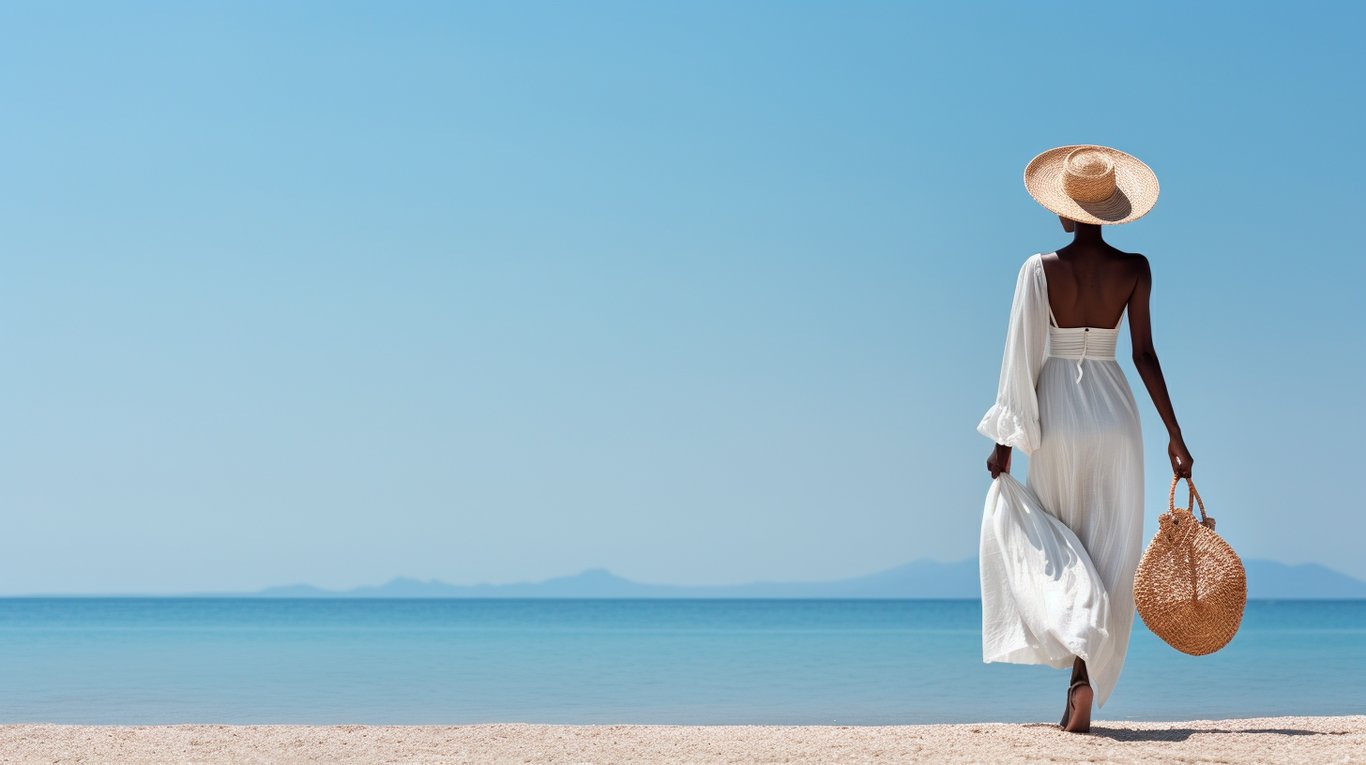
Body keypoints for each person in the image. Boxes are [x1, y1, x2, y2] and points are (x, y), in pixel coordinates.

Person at [977, 145, 1193, 733]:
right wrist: (1176, 436)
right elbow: (1144, 354)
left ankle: (1077, 671)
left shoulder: (1039, 270)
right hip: (1116, 409)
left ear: (1067, 210)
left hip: (1057, 413)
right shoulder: (1136, 268)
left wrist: (1005, 439)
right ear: (1113, 212)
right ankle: (1083, 676)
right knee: (1109, 548)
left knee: (1056, 538)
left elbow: (1019, 357)